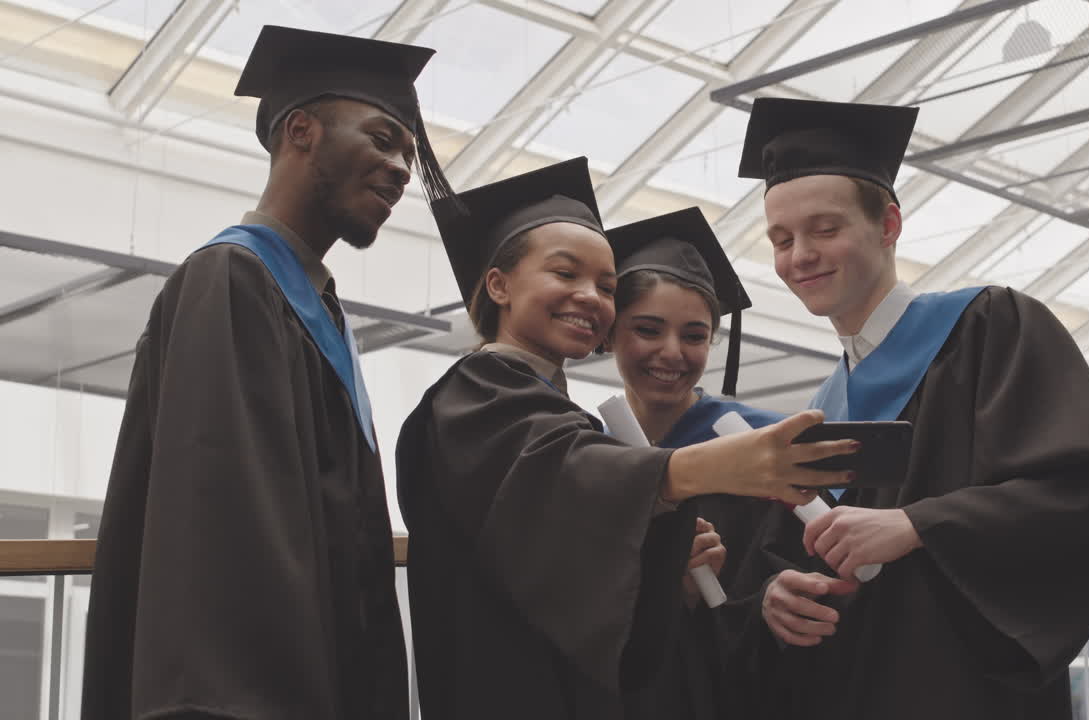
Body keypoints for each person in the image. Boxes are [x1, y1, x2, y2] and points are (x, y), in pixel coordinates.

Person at [81, 25, 455, 720]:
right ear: (301, 131)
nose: (404, 168)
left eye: (408, 152)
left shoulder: (316, 306)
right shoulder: (232, 281)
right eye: (381, 138)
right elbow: (218, 546)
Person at [395, 158, 855, 720]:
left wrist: (663, 569)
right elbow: (566, 474)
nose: (589, 296)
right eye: (565, 274)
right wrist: (697, 471)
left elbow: (560, 569)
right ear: (499, 284)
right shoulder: (480, 393)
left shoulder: (553, 411)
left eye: (605, 286)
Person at [724, 98, 1089, 718]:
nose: (798, 256)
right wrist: (775, 593)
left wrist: (920, 525)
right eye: (781, 239)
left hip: (965, 690)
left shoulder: (991, 329)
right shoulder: (821, 407)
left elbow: (1087, 493)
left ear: (889, 225)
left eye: (825, 229)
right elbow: (790, 551)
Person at [604, 207, 785, 719]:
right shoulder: (590, 456)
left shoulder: (758, 442)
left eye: (694, 335)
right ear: (610, 330)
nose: (671, 352)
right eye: (647, 329)